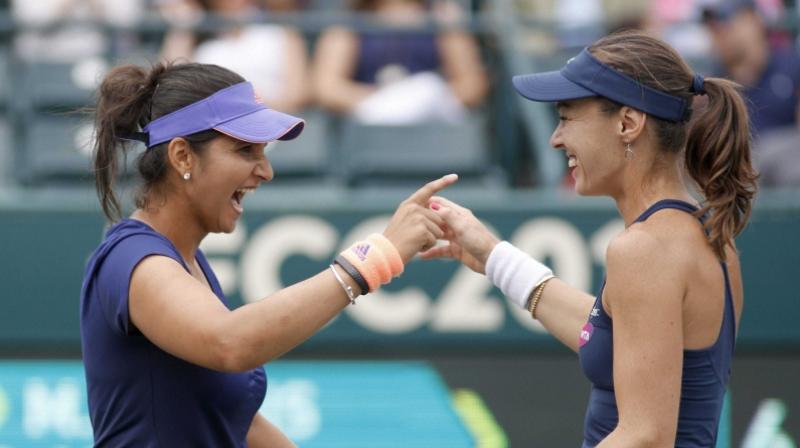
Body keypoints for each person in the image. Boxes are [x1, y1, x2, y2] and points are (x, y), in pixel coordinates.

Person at [80, 61, 457, 446]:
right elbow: (229, 343)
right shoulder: (134, 258)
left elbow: (232, 419)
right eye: (245, 150)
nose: (265, 170)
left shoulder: (187, 262)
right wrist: (377, 256)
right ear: (182, 157)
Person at [421, 30, 758, 447]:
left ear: (627, 123)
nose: (555, 138)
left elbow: (645, 437)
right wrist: (492, 256)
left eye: (566, 116)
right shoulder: (704, 233)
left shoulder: (644, 250)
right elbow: (615, 335)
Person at [313, 0, 488, 124]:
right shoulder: (348, 21)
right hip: (369, 127)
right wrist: (388, 102)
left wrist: (422, 102)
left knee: (428, 87)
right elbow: (327, 88)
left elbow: (472, 84)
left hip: (432, 124)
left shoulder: (442, 16)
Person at [159, 0, 311, 113]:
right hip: (212, 132)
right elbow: (172, 87)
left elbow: (297, 96)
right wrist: (184, 25)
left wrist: (242, 105)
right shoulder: (200, 39)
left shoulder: (283, 33)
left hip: (274, 128)